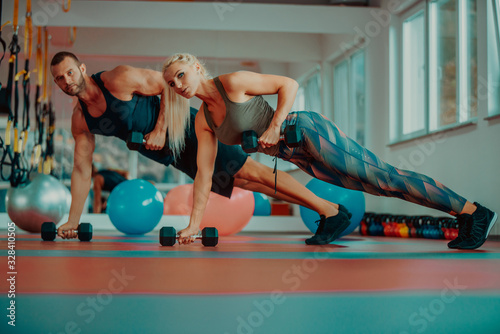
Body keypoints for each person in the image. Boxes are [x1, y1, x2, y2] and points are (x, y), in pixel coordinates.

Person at [162, 53, 497, 249]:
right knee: (376, 185)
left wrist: (275, 126)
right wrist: (194, 224)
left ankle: (472, 212)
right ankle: (335, 216)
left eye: (180, 75)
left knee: (384, 177)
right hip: (295, 155)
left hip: (306, 131)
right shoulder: (203, 121)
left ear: (194, 66)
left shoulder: (232, 82)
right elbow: (204, 175)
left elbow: (288, 85)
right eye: (172, 84)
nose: (179, 85)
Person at [50, 51, 350, 241]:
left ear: (82, 68)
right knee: (249, 182)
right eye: (59, 79)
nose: (66, 81)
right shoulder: (81, 120)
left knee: (253, 172)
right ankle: (331, 210)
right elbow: (80, 169)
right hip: (173, 156)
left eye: (70, 72)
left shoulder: (118, 78)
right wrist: (73, 221)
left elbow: (167, 86)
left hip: (189, 132)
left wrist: (160, 128)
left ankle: (330, 211)